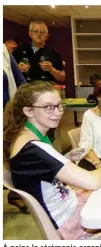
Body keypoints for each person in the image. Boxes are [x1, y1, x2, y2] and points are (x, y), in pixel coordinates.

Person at [3, 82, 101, 239]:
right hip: (69, 223)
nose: (58, 112)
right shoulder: (35, 148)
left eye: (59, 105)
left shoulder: (23, 137)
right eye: (48, 107)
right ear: (28, 111)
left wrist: (65, 159)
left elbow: (38, 171)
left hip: (63, 207)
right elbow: (93, 181)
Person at [3, 43, 27, 213]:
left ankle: (15, 193)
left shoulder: (4, 52)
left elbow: (20, 82)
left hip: (6, 113)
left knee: (12, 154)